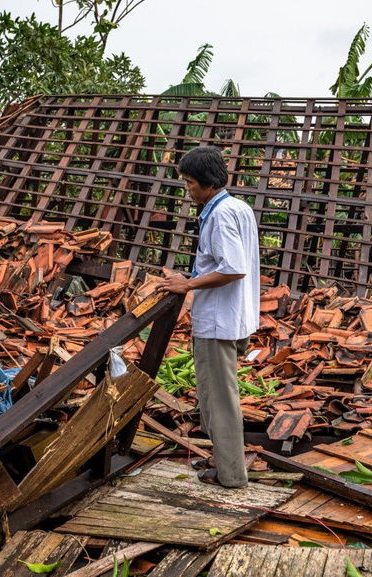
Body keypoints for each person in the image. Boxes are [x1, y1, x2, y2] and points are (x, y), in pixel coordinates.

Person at [154, 146, 260, 489]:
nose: (187, 189)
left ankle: (231, 475)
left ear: (209, 182)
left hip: (219, 321)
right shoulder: (238, 207)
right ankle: (221, 459)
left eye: (189, 182)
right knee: (213, 395)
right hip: (235, 316)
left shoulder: (221, 215)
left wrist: (187, 284)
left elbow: (233, 268)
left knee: (220, 400)